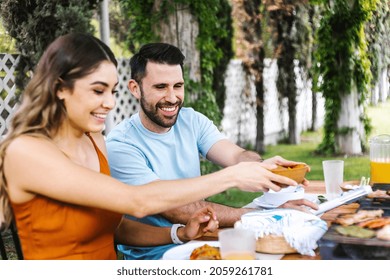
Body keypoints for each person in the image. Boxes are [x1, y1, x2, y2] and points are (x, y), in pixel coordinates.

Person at [0, 33, 295, 260]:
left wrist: (179, 233)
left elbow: (114, 229)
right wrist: (232, 175)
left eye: (111, 91)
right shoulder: (26, 152)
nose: (110, 103)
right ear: (59, 89)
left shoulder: (94, 141)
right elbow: (136, 201)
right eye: (98, 90)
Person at [106, 42, 319, 260]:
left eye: (177, 86)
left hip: (200, 242)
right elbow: (178, 209)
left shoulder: (191, 120)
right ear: (134, 88)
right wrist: (263, 215)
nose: (171, 97)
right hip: (155, 259)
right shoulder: (120, 146)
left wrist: (264, 168)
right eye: (161, 87)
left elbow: (236, 156)